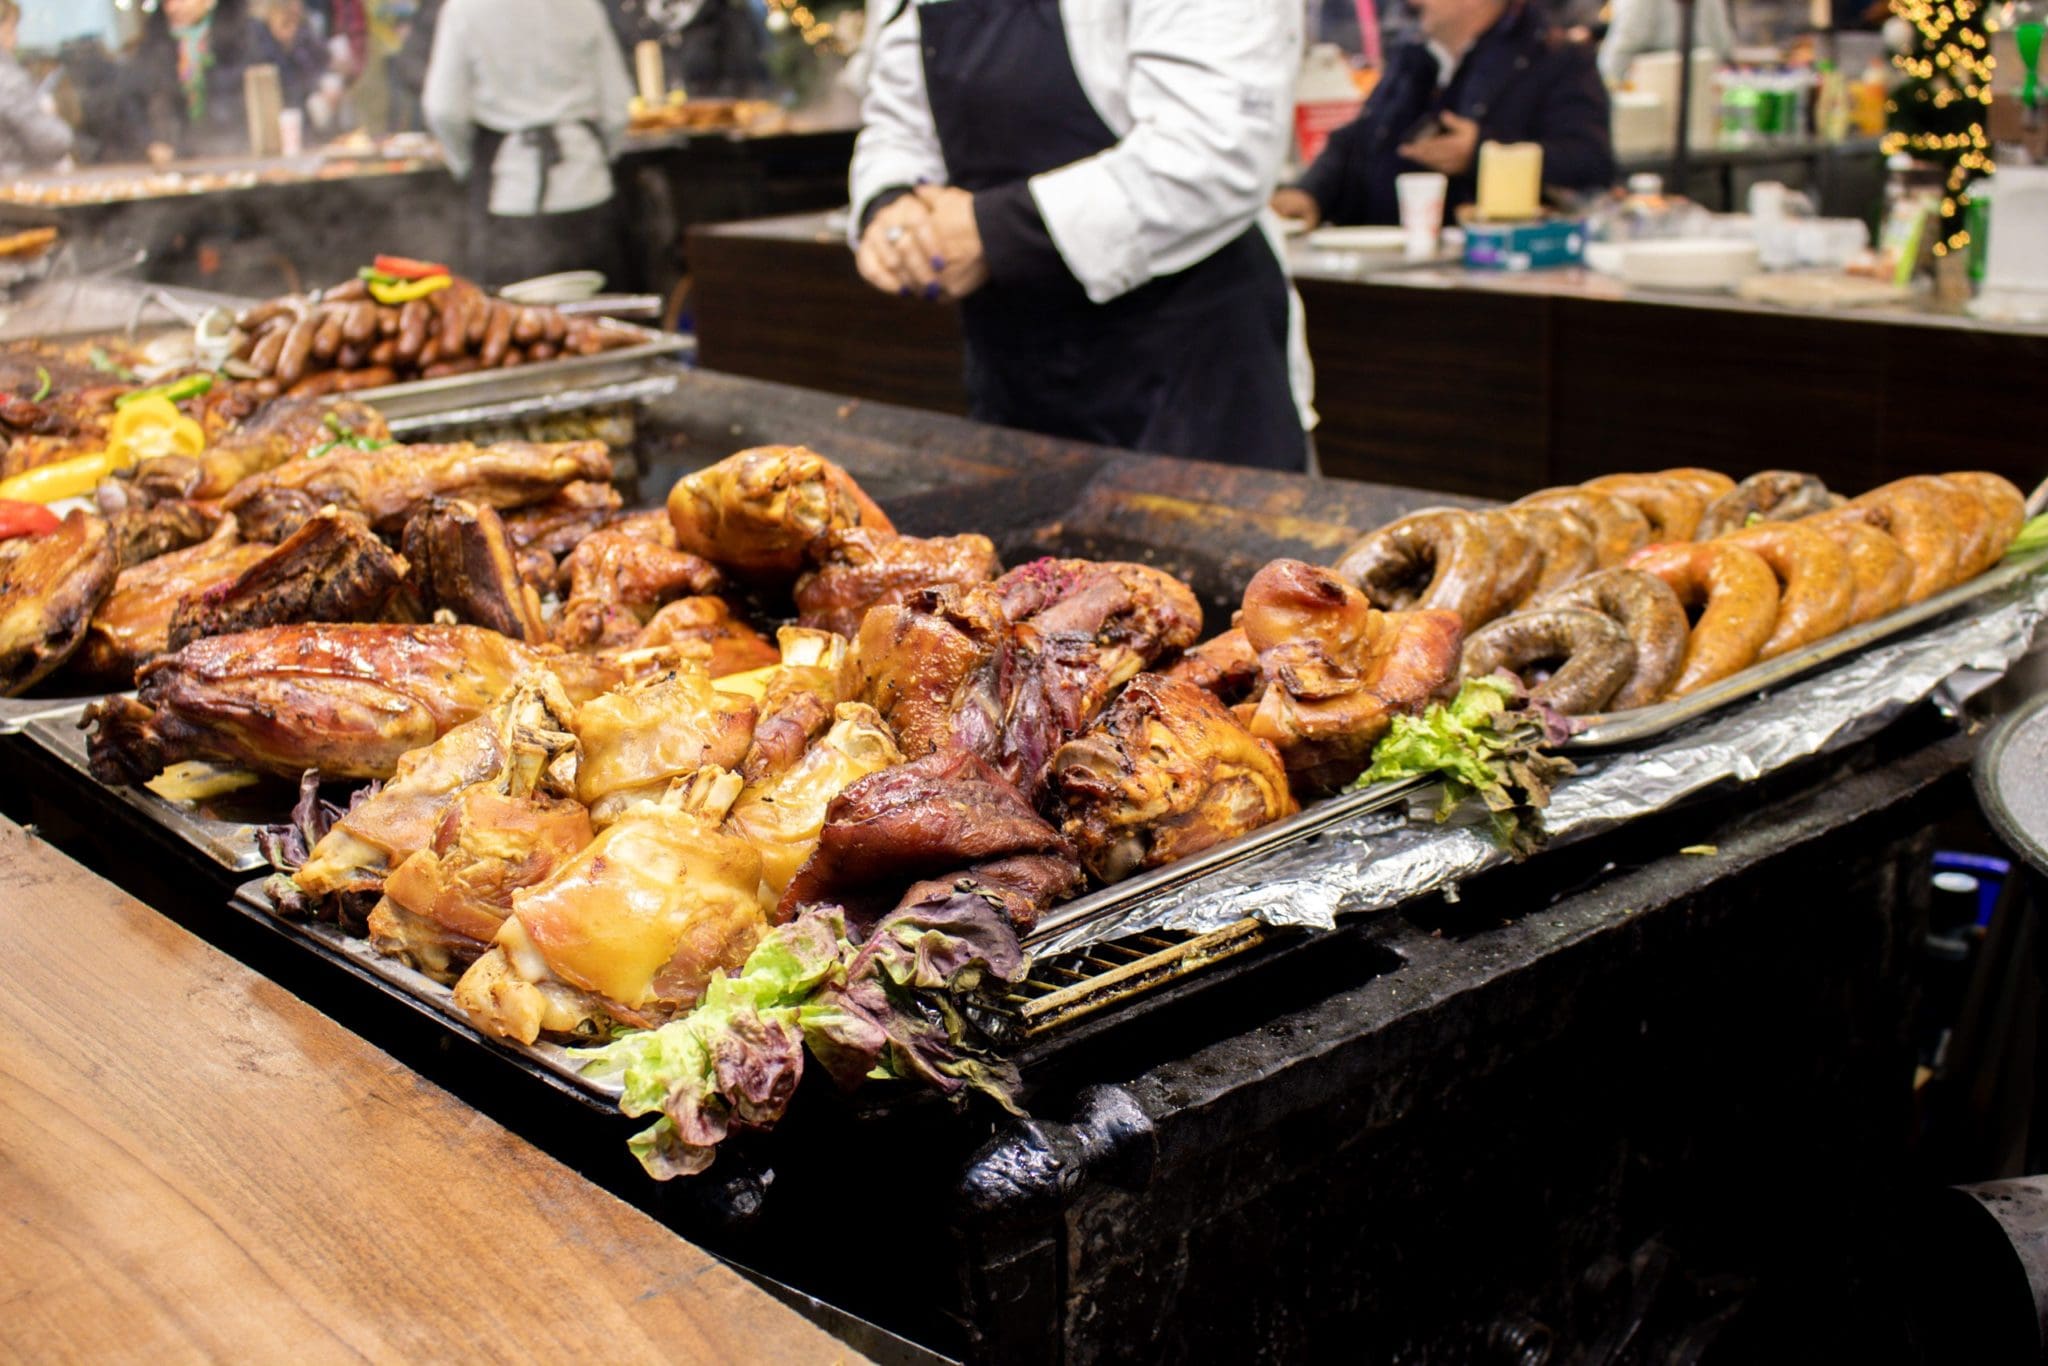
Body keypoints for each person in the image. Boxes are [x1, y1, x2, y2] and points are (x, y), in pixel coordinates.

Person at [848, 0, 1312, 473]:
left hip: (1192, 379)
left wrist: (990, 233)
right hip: (1013, 370)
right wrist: (892, 206)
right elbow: (895, 122)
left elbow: (1217, 149)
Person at [1272, 0, 1615, 229]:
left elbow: (1589, 161)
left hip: (1493, 279)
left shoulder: (1557, 59)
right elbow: (1359, 138)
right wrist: (1310, 192)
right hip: (1384, 267)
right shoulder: (1413, 55)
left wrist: (1480, 154)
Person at [422, 0, 633, 286]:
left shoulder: (465, 8)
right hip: (587, 184)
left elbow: (444, 109)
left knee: (517, 321)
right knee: (602, 316)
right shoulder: (583, 5)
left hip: (509, 193)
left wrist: (467, 166)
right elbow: (617, 108)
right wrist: (601, 155)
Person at [132, 0, 254, 164]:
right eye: (166, 3)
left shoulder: (243, 35)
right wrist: (152, 141)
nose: (172, 8)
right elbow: (136, 102)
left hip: (237, 154)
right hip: (177, 163)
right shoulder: (154, 44)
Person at [608, 0, 768, 99]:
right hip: (639, 145)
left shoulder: (725, 12)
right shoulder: (617, 10)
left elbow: (749, 86)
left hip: (711, 141)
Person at [0, 1, 73, 176]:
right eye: (10, 29)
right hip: (16, 184)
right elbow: (49, 140)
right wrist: (53, 121)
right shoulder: (7, 79)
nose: (16, 38)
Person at [1597, 0, 1733, 85]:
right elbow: (1723, 42)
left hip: (1657, 82)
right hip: (1703, 78)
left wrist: (1605, 82)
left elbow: (1628, 38)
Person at [248, 0, 330, 112]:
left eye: (296, 21)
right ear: (269, 18)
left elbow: (322, 61)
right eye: (285, 23)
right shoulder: (258, 46)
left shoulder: (303, 34)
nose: (293, 29)